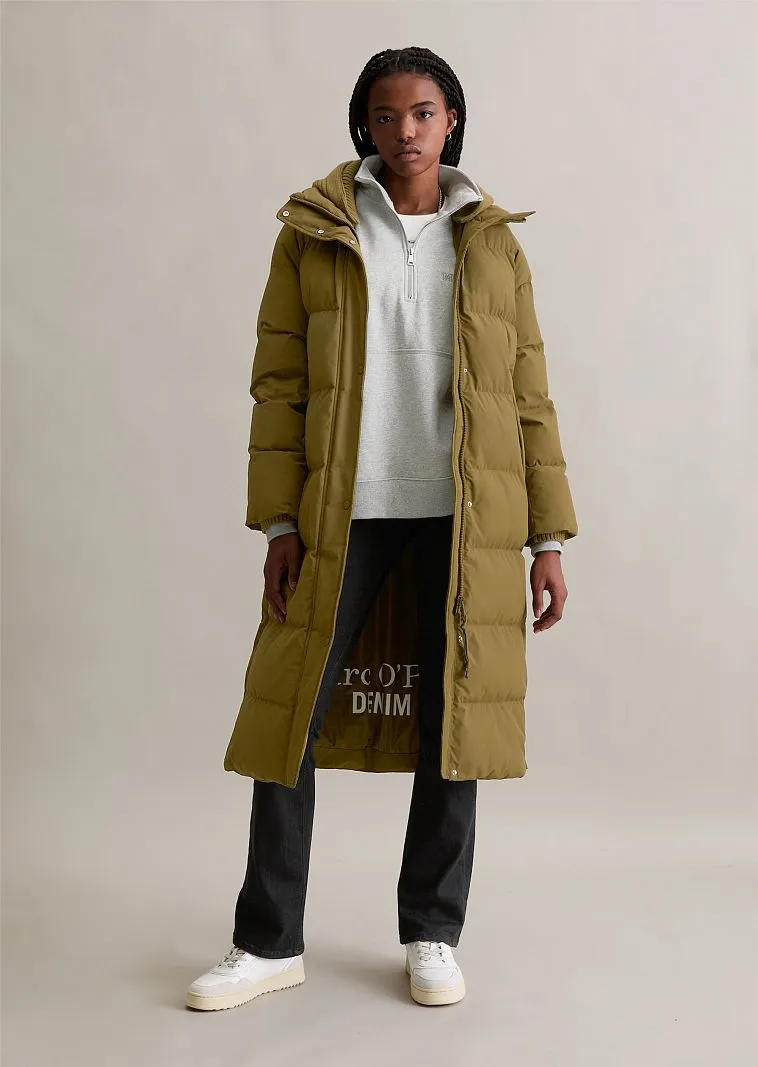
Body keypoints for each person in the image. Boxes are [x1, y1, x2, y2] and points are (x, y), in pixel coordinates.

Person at [186, 45, 578, 1012]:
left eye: (424, 112)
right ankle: (267, 941)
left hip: (465, 514)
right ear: (364, 123)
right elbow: (279, 384)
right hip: (342, 511)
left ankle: (432, 931)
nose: (406, 130)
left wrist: (547, 540)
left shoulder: (493, 244)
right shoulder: (314, 232)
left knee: (456, 721)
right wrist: (280, 520)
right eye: (387, 113)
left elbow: (528, 394)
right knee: (289, 715)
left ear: (453, 121)